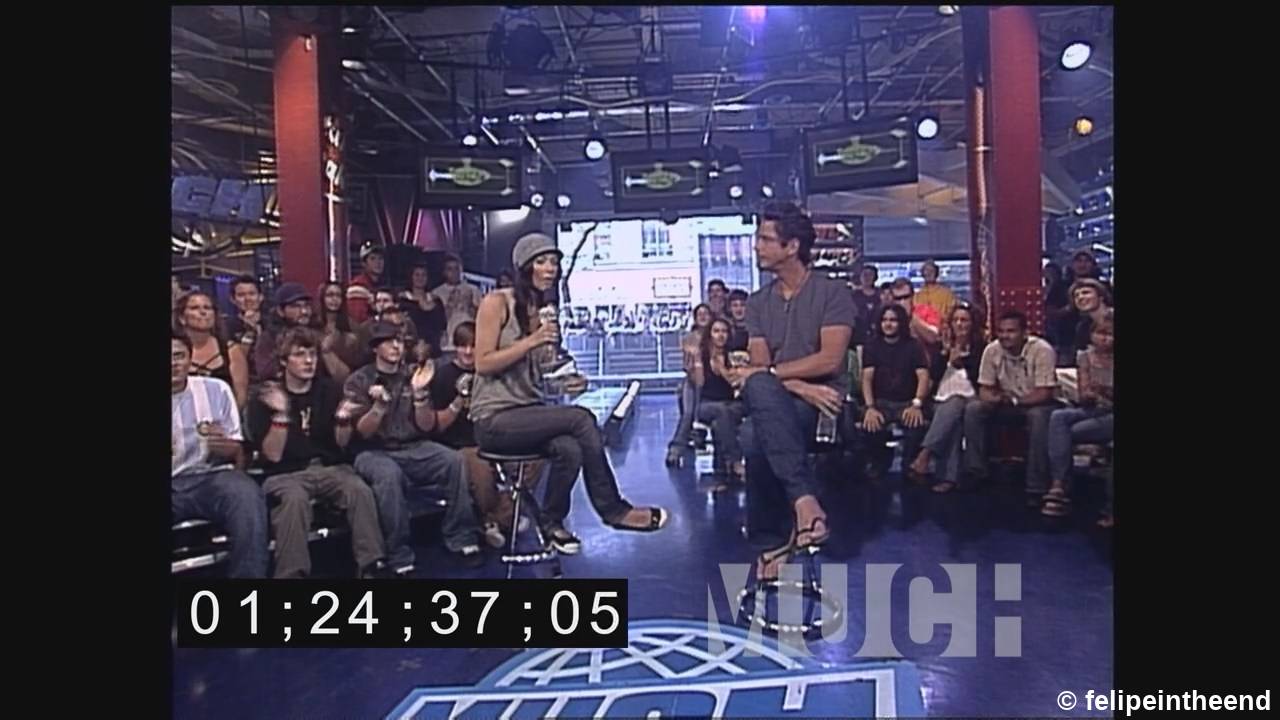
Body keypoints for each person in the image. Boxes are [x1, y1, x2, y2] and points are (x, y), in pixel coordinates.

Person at [470, 233, 669, 555]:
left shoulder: (542, 311)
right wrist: (532, 340)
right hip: (493, 419)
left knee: (570, 448)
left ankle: (551, 523)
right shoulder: (497, 302)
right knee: (581, 418)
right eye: (542, 261)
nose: (551, 268)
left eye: (554, 262)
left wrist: (566, 380)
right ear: (525, 267)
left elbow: (538, 373)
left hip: (527, 413)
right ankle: (614, 510)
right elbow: (483, 363)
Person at [728, 202, 854, 579]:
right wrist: (798, 384)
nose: (757, 246)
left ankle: (770, 541)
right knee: (757, 423)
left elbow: (830, 360)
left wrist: (779, 379)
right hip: (782, 397)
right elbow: (759, 370)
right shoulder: (758, 303)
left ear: (792, 246)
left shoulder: (833, 293)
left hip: (826, 403)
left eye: (765, 239)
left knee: (754, 434)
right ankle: (805, 504)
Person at [247, 329, 387, 578]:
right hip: (285, 473)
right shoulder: (266, 396)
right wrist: (281, 415)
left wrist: (343, 420)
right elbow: (273, 455)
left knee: (359, 490)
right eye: (300, 355)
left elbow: (341, 444)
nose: (309, 361)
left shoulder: (329, 390)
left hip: (329, 468)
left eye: (312, 354)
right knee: (294, 500)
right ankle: (292, 575)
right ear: (283, 361)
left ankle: (371, 567)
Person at [344, 322, 484, 571]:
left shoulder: (414, 374)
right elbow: (362, 433)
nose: (396, 346)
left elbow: (427, 425)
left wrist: (420, 395)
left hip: (414, 446)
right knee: (388, 475)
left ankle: (462, 537)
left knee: (453, 461)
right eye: (389, 341)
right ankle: (399, 554)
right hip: (374, 451)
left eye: (399, 341)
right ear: (375, 348)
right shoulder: (359, 380)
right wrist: (379, 407)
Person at [171, 332, 268, 578]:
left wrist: (225, 446)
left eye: (179, 356)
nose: (173, 364)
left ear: (190, 359)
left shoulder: (216, 390)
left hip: (211, 478)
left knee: (245, 494)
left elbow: (238, 453)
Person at [427, 321, 522, 548]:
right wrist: (458, 402)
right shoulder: (442, 376)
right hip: (459, 443)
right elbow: (438, 426)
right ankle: (499, 518)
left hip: (494, 437)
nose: (468, 352)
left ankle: (496, 518)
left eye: (473, 345)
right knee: (480, 469)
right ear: (455, 347)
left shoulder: (492, 372)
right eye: (463, 346)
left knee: (532, 461)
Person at [965, 310, 1060, 505]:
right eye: (1001, 331)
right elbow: (984, 389)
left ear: (1025, 333)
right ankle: (977, 472)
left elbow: (1044, 393)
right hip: (1006, 401)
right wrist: (994, 398)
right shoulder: (992, 350)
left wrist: (1015, 401)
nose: (1004, 336)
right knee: (974, 409)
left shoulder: (1042, 350)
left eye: (1011, 331)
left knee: (1039, 417)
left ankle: (1036, 485)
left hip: (1039, 403)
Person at [1044, 310, 1114, 519]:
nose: (1105, 338)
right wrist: (1093, 394)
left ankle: (1062, 488)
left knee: (1068, 432)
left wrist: (1103, 391)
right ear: (1091, 335)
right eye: (1100, 333)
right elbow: (1085, 394)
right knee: (1058, 417)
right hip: (1094, 409)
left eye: (1110, 334)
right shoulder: (1084, 356)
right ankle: (1058, 484)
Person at [909, 303, 985, 492]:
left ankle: (926, 456)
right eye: (956, 320)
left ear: (972, 323)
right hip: (941, 400)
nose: (959, 324)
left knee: (957, 405)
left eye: (964, 320)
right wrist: (946, 359)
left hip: (972, 399)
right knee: (953, 410)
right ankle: (949, 477)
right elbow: (933, 377)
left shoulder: (981, 349)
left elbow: (981, 378)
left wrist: (963, 362)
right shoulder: (939, 347)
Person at [859, 305, 930, 479]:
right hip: (880, 403)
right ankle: (879, 462)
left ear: (901, 323)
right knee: (870, 425)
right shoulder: (872, 346)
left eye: (893, 320)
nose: (888, 324)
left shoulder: (913, 346)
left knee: (916, 425)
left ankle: (910, 466)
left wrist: (916, 404)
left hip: (907, 402)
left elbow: (923, 377)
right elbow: (866, 379)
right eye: (885, 320)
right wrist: (870, 408)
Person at [256, 283, 350, 383]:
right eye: (296, 306)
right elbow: (265, 373)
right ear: (281, 311)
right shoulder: (269, 338)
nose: (304, 311)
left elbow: (343, 377)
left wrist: (326, 352)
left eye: (306, 305)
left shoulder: (320, 333)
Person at [174, 291, 250, 410]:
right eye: (195, 308)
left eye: (207, 308)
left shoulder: (231, 351)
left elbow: (240, 397)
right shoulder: (174, 349)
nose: (203, 312)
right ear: (182, 318)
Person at [693, 318, 746, 488]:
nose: (720, 335)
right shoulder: (701, 356)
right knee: (721, 412)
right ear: (710, 334)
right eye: (716, 331)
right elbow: (699, 383)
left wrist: (722, 369)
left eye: (724, 331)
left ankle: (720, 475)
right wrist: (699, 363)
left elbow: (735, 382)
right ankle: (736, 461)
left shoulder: (734, 356)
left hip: (731, 404)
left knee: (720, 422)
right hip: (706, 404)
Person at [665, 303, 715, 466]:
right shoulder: (688, 338)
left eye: (706, 314)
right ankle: (675, 450)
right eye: (700, 314)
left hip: (714, 381)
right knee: (688, 413)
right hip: (693, 381)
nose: (703, 317)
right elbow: (687, 366)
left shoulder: (717, 335)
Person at [433, 254, 484, 358]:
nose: (454, 272)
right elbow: (437, 322)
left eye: (456, 268)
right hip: (448, 344)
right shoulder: (437, 293)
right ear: (444, 272)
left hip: (471, 343)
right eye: (450, 269)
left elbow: (482, 317)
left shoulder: (473, 290)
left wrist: (471, 306)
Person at [403, 265, 447, 358]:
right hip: (410, 351)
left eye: (423, 275)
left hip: (434, 350)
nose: (420, 278)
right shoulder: (402, 300)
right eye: (417, 275)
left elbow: (442, 326)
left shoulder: (436, 300)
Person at [889, 278, 942, 348]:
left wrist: (911, 316)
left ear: (912, 296)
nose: (902, 302)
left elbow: (932, 338)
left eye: (906, 297)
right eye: (898, 298)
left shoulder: (926, 310)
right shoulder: (888, 316)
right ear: (892, 299)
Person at [346, 246, 385, 324]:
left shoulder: (384, 285)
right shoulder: (357, 286)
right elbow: (358, 320)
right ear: (364, 263)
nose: (378, 262)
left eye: (380, 258)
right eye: (372, 259)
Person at [914, 260, 957, 326]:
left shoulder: (947, 294)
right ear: (923, 274)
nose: (929, 273)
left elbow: (952, 313)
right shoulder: (917, 296)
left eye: (931, 271)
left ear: (936, 273)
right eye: (926, 270)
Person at [851, 265, 882, 347]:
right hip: (857, 336)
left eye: (870, 274)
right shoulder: (853, 296)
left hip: (877, 336)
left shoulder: (881, 295)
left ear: (875, 277)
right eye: (865, 274)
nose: (867, 277)